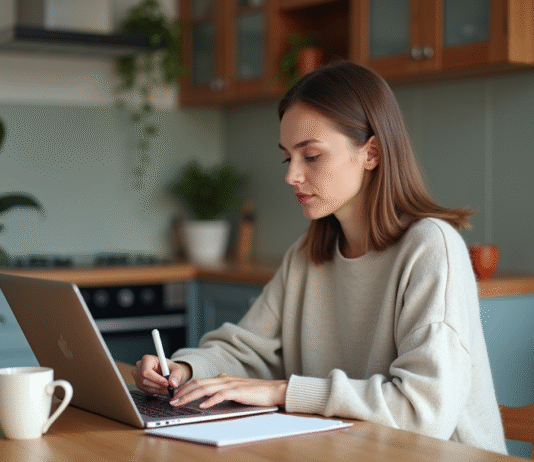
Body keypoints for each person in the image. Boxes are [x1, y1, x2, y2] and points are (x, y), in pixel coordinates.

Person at [133, 61, 507, 454]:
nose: (291, 175)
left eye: (311, 156)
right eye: (287, 158)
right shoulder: (309, 255)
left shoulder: (431, 248)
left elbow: (422, 411)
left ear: (372, 153)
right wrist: (187, 369)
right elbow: (246, 349)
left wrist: (282, 392)